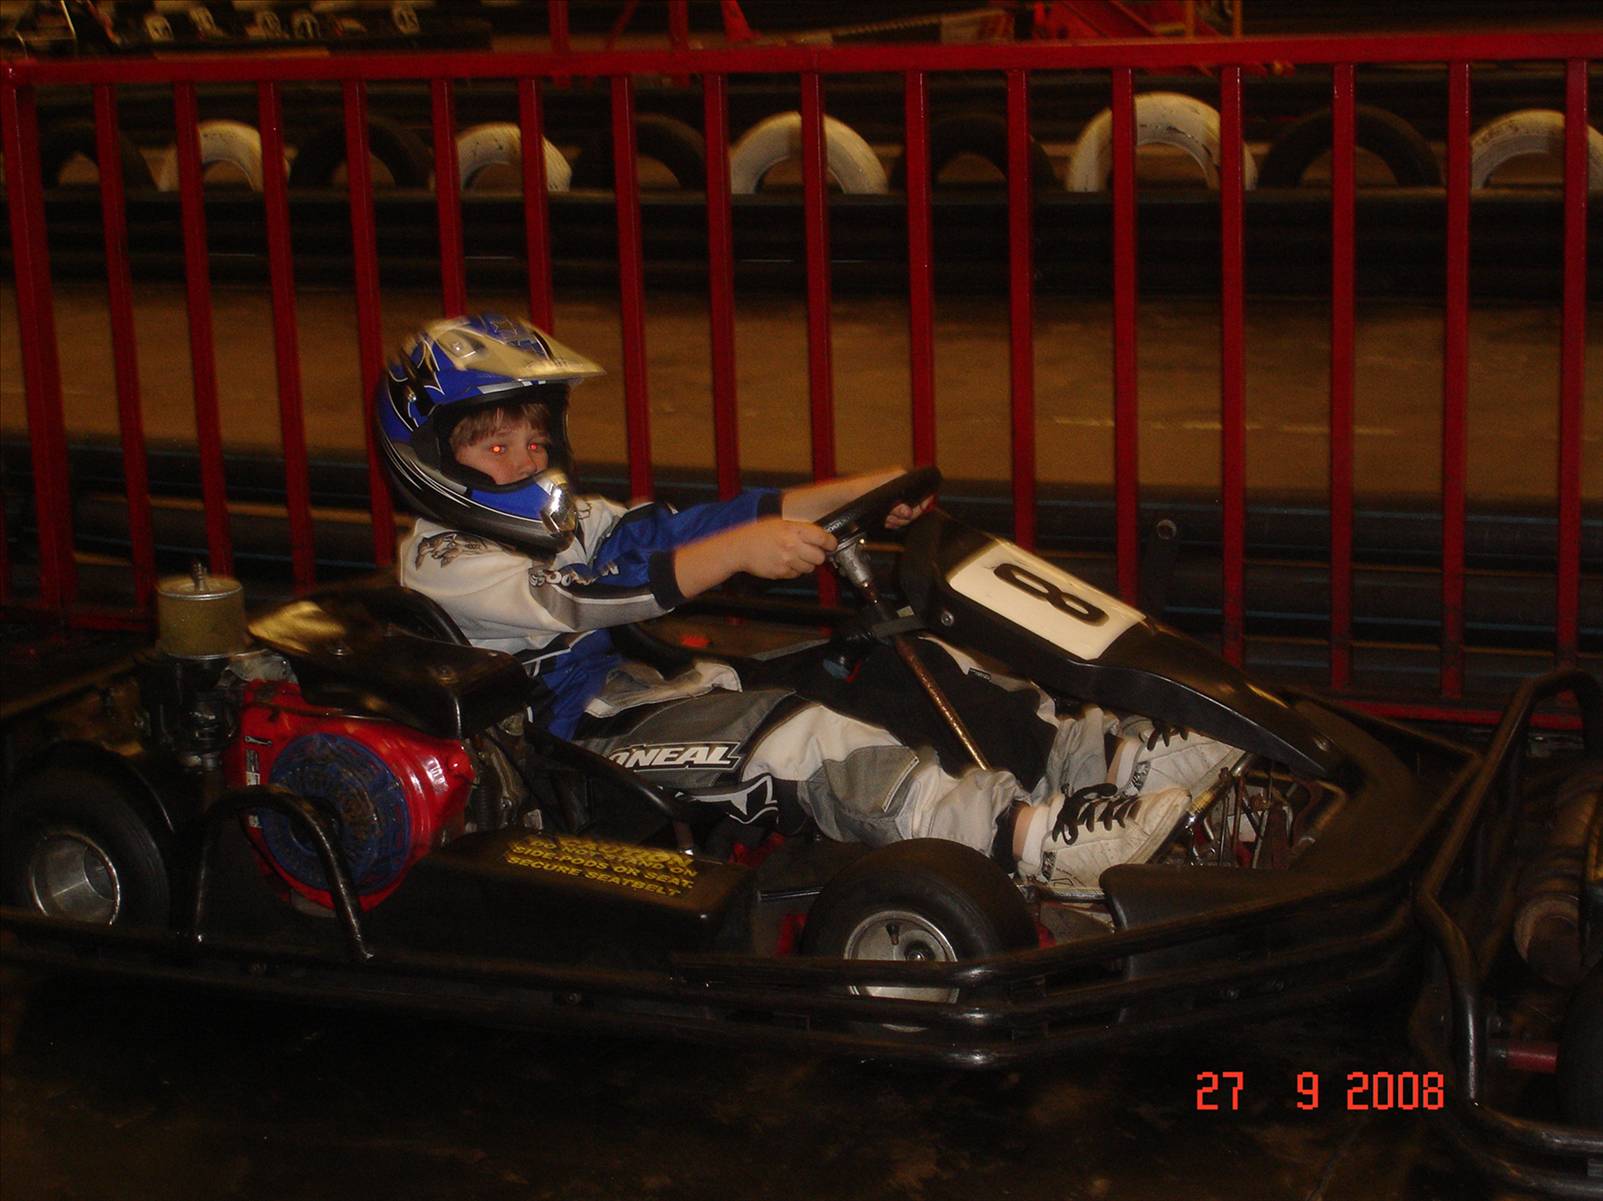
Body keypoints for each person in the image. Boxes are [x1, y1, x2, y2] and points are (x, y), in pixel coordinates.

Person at [376, 314, 1238, 890]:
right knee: (807, 738)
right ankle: (1027, 840)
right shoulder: (445, 560)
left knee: (894, 659)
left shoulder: (567, 518)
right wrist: (737, 554)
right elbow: (582, 597)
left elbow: (681, 529)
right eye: (497, 445)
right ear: (434, 459)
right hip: (573, 754)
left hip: (654, 696)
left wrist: (843, 494)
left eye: (534, 438)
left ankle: (1102, 765)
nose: (527, 459)